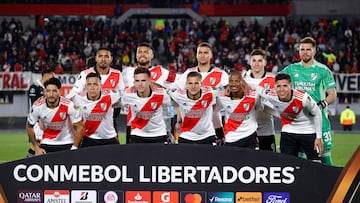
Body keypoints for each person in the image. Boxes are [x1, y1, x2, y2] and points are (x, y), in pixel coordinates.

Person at [281, 36, 337, 165]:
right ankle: (304, 184)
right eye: (302, 49)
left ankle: (334, 183)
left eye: (308, 49)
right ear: (299, 51)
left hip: (319, 119)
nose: (305, 52)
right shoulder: (291, 69)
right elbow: (275, 82)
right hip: (299, 120)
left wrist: (320, 105)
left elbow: (332, 95)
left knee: (323, 153)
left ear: (314, 51)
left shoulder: (323, 70)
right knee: (300, 157)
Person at [260, 73, 323, 162]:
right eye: (278, 86)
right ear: (274, 87)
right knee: (287, 164)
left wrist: (319, 137)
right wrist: (277, 113)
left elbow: (317, 112)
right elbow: (259, 98)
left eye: (285, 86)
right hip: (288, 131)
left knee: (316, 164)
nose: (281, 89)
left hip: (308, 130)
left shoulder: (303, 98)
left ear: (291, 86)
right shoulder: (269, 95)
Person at [122, 42, 177, 143]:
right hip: (134, 125)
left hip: (159, 126)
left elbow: (176, 88)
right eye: (140, 52)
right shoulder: (128, 72)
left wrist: (156, 86)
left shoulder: (162, 72)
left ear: (152, 55)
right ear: (136, 55)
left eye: (146, 52)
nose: (142, 54)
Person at [175, 42, 229, 144]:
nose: (202, 55)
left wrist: (217, 105)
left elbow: (231, 95)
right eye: (200, 53)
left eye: (205, 53)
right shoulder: (188, 73)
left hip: (213, 127)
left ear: (211, 55)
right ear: (196, 55)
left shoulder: (221, 74)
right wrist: (179, 120)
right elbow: (179, 99)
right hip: (190, 128)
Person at [67, 47, 125, 134]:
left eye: (106, 56)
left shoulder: (117, 74)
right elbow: (73, 94)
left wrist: (113, 104)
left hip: (109, 121)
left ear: (111, 59)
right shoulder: (85, 74)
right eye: (100, 56)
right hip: (89, 120)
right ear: (96, 58)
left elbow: (122, 95)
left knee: (112, 147)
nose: (103, 59)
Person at [26, 78, 84, 155]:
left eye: (54, 91)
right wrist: (36, 147)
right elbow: (29, 126)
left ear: (59, 92)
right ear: (44, 92)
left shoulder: (69, 105)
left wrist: (74, 148)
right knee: (30, 156)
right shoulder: (37, 106)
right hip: (47, 143)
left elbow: (80, 127)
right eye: (48, 91)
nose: (51, 94)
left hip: (67, 143)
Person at [120, 67, 171, 143]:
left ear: (150, 81)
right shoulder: (127, 95)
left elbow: (169, 105)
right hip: (137, 134)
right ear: (134, 82)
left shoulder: (161, 94)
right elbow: (120, 104)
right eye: (137, 81)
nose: (140, 84)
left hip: (159, 134)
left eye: (143, 80)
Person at [72, 72, 121, 147]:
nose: (92, 87)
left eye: (95, 84)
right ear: (85, 86)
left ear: (101, 86)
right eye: (89, 84)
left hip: (109, 140)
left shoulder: (110, 96)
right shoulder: (78, 99)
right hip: (89, 139)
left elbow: (126, 97)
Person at [169, 71, 217, 144]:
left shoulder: (211, 94)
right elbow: (166, 89)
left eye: (196, 83)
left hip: (207, 135)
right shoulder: (178, 95)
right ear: (186, 85)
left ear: (201, 84)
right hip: (186, 135)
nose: (193, 87)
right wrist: (178, 120)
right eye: (190, 83)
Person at [243, 49, 276, 151]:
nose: (256, 63)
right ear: (250, 62)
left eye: (260, 60)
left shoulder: (273, 79)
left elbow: (276, 102)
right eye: (254, 60)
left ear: (265, 62)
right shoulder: (243, 80)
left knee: (271, 162)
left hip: (266, 128)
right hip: (247, 128)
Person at [218, 71, 261, 149]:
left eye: (237, 81)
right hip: (231, 138)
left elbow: (261, 93)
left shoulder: (253, 96)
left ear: (242, 82)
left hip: (250, 137)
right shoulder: (222, 97)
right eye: (231, 81)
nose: (234, 84)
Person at [26, 69, 55, 157]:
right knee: (37, 144)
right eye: (52, 77)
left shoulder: (46, 88)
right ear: (47, 75)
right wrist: (39, 120)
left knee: (43, 143)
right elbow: (34, 105)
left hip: (45, 120)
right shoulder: (35, 87)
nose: (53, 79)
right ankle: (28, 161)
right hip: (37, 121)